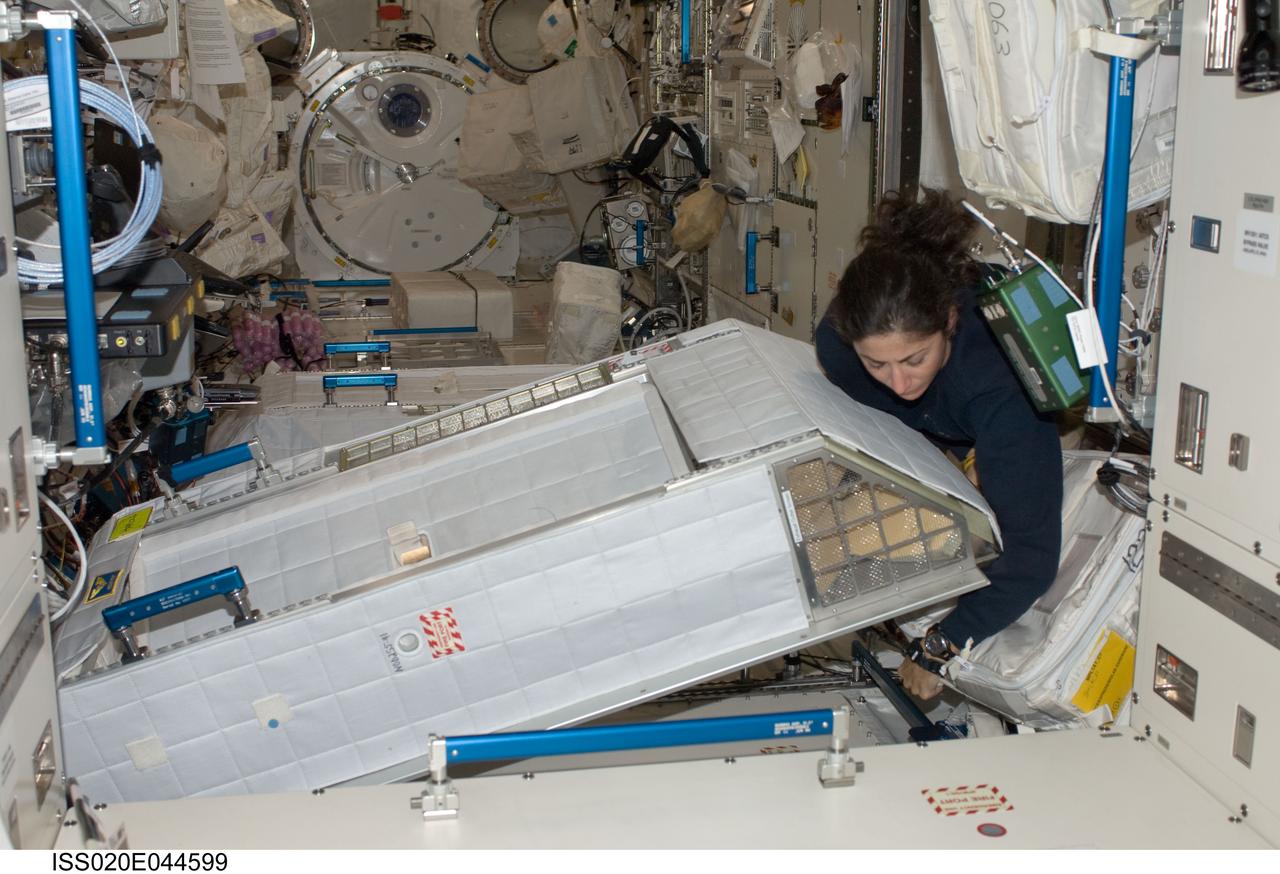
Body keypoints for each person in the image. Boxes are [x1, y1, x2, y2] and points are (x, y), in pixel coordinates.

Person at [814, 188, 1063, 700]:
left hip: (1002, 414)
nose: (898, 382)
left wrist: (941, 644)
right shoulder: (839, 352)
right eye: (877, 364)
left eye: (915, 359)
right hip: (951, 428)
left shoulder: (1001, 384)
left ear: (948, 321)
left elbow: (1032, 559)